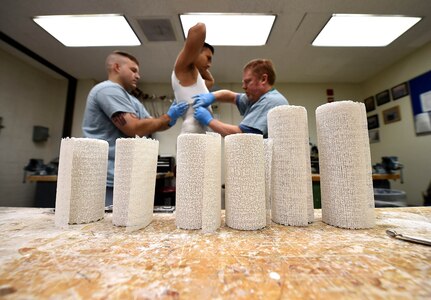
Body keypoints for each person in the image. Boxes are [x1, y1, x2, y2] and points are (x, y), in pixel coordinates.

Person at [82, 51, 188, 205]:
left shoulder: (132, 100)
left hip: (124, 177)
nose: (138, 76)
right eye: (133, 70)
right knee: (103, 226)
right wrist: (167, 117)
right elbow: (134, 128)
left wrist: (170, 119)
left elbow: (151, 125)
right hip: (106, 180)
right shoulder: (107, 90)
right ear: (117, 67)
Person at [192, 59, 288, 138]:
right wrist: (212, 96)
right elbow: (233, 97)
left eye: (247, 81)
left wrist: (209, 120)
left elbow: (242, 136)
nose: (243, 86)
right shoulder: (255, 98)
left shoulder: (270, 101)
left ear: (263, 79)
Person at [171, 22, 215, 134]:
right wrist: (193, 51)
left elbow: (211, 81)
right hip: (192, 132)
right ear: (196, 53)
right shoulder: (182, 69)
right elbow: (200, 28)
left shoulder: (196, 80)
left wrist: (203, 68)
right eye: (208, 58)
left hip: (205, 133)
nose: (209, 64)